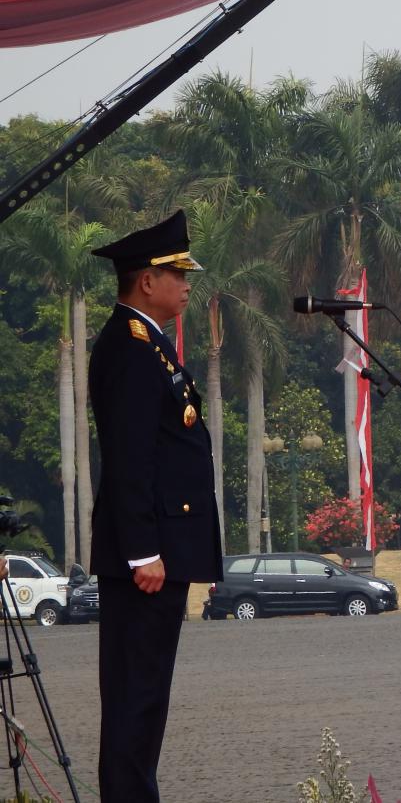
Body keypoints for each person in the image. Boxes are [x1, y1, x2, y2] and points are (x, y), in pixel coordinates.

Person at [88, 210, 223, 802]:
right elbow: (130, 457)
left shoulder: (150, 343)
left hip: (163, 551)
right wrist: (143, 551)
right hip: (146, 559)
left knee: (145, 702)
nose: (187, 284)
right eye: (178, 274)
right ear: (147, 281)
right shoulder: (129, 346)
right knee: (134, 700)